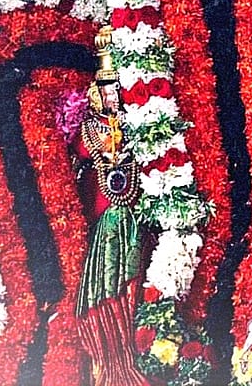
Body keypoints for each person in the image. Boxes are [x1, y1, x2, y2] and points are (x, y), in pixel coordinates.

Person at [72, 25, 149, 386]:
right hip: (102, 221)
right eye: (106, 89)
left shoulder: (140, 121)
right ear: (95, 93)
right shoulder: (88, 129)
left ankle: (140, 348)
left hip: (137, 220)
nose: (112, 96)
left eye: (117, 88)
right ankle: (106, 357)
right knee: (103, 287)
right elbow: (80, 158)